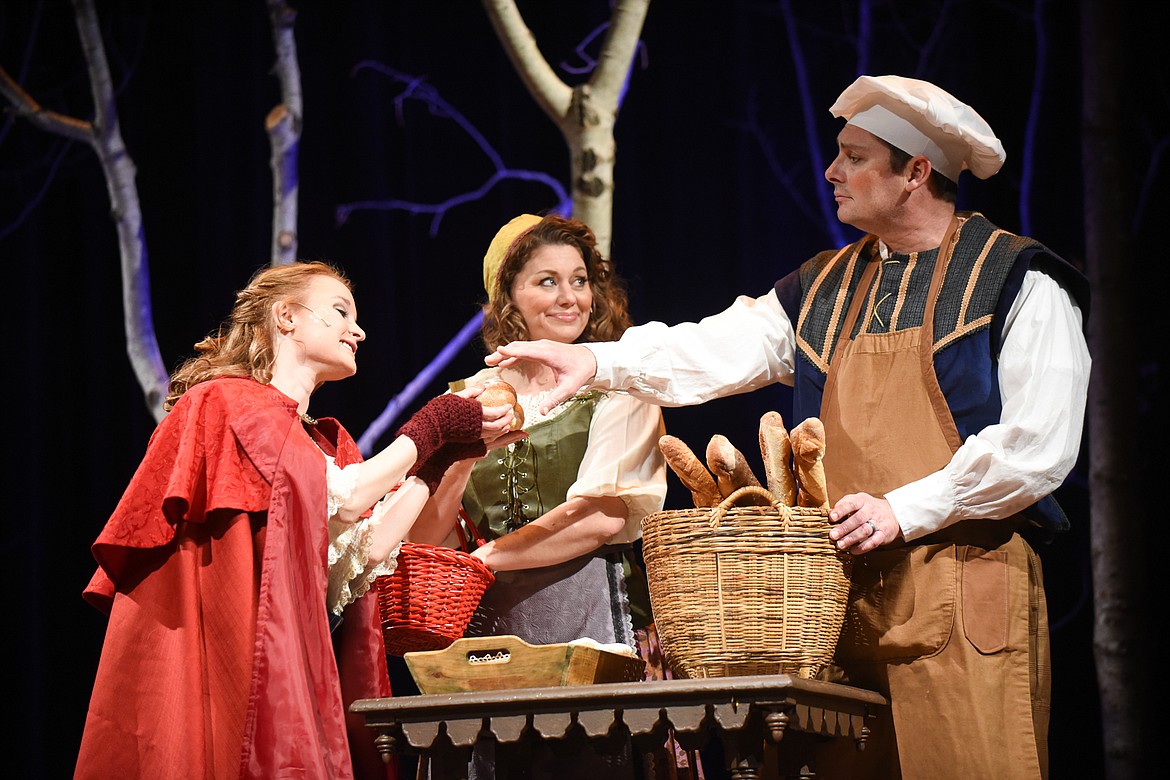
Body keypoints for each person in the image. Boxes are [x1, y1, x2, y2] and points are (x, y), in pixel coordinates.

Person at [483, 76, 1091, 780]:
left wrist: (904, 509)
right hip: (831, 603)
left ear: (916, 172)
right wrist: (591, 360)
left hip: (962, 590)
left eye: (855, 157)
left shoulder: (1015, 280)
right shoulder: (822, 289)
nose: (833, 171)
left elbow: (1037, 447)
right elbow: (710, 348)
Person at [75, 261, 516, 780]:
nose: (359, 330)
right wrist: (431, 425)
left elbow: (367, 551)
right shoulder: (230, 403)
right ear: (286, 317)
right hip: (236, 658)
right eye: (339, 311)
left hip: (297, 659)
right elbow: (347, 501)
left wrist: (434, 463)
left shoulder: (323, 443)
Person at [409, 213, 668, 778]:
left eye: (579, 280)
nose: (570, 297)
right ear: (509, 297)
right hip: (483, 631)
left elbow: (601, 518)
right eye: (546, 281)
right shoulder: (465, 398)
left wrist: (484, 560)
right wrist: (464, 453)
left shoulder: (621, 386)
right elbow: (428, 541)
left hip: (594, 617)